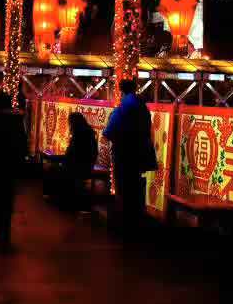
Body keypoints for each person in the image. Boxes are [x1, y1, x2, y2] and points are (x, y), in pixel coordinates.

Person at [102, 78, 157, 238]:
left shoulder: (123, 108)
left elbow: (109, 132)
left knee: (123, 188)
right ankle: (136, 222)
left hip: (124, 154)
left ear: (121, 90)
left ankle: (124, 224)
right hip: (140, 155)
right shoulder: (143, 107)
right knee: (135, 187)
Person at [0, 90, 27, 249]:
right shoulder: (16, 120)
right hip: (11, 165)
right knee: (8, 199)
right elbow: (22, 143)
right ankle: (5, 231)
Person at [44, 111, 97, 209]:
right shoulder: (89, 133)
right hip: (87, 167)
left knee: (52, 168)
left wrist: (55, 159)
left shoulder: (78, 136)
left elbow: (70, 156)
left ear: (73, 123)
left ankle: (55, 198)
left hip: (76, 169)